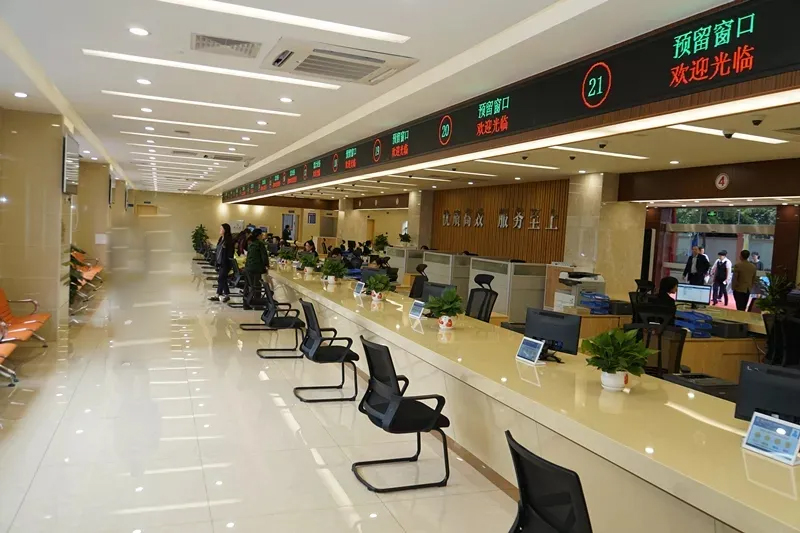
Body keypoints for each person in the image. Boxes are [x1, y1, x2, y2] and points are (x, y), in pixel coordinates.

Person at [243, 229, 268, 309]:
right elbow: (264, 257)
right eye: (261, 234)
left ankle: (245, 304)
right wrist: (266, 265)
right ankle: (257, 305)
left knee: (247, 286)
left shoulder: (251, 244)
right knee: (257, 286)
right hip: (256, 268)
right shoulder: (260, 244)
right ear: (259, 235)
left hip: (248, 268)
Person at [209, 224, 234, 302]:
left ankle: (221, 294)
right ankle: (224, 295)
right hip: (220, 262)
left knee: (221, 279)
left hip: (225, 263)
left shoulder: (229, 240)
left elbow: (230, 253)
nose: (220, 230)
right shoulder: (221, 239)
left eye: (221, 229)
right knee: (223, 279)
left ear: (225, 230)